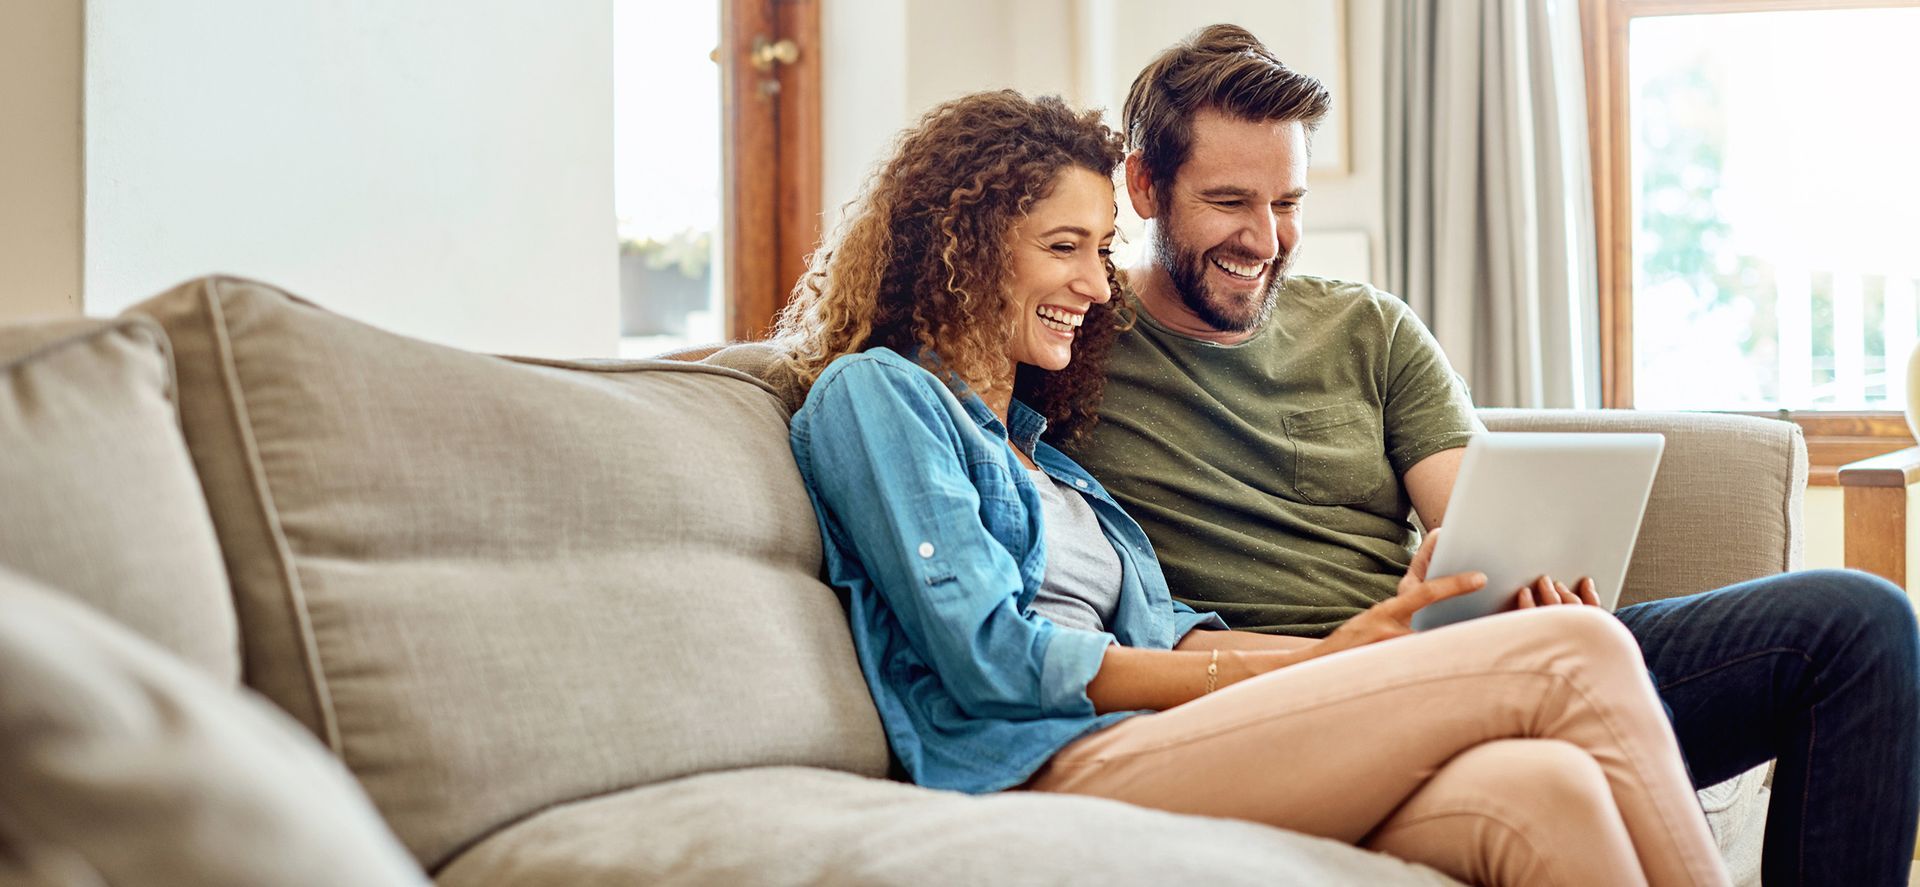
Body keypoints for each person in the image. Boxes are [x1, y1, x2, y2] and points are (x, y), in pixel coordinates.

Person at [775, 89, 1728, 886]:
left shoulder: (1048, 453)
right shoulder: (881, 396)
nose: (1098, 286)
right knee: (1570, 646)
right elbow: (992, 656)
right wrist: (1291, 671)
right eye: (1063, 247)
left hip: (1149, 737)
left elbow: (1170, 632)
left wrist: (1358, 647)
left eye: (1101, 251)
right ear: (968, 244)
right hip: (1032, 765)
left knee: (1547, 790)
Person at [1056, 23, 1920, 886]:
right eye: (1230, 201)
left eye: (1287, 204)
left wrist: (1527, 582)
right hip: (1303, 700)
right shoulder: (1068, 352)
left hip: (1478, 655)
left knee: (1860, 626)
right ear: (1143, 184)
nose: (1265, 239)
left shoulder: (1367, 327)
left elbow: (1480, 523)